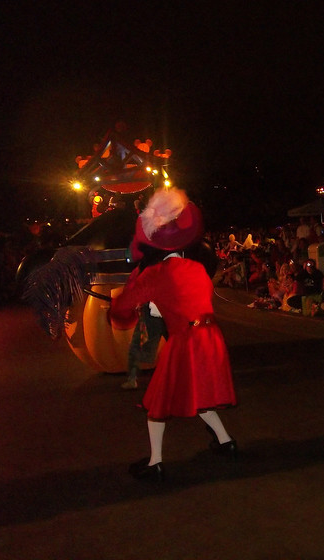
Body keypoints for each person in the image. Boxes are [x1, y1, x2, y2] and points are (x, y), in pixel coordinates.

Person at [110, 189, 237, 482]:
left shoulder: (155, 274)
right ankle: (226, 441)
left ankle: (155, 463)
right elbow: (188, 301)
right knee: (201, 395)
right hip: (212, 339)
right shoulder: (198, 269)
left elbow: (123, 306)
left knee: (158, 401)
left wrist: (123, 308)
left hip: (186, 341)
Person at [121, 301, 166, 390]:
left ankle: (132, 379)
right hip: (167, 313)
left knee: (136, 346)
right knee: (177, 346)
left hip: (151, 315)